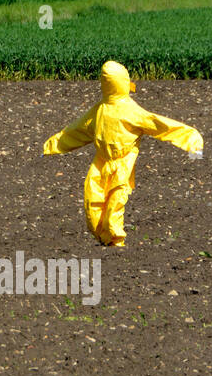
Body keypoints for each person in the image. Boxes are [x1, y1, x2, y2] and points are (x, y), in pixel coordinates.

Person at [43, 60, 203, 248]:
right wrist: (50, 147)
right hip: (101, 162)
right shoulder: (99, 110)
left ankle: (117, 245)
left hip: (122, 163)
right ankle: (105, 239)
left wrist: (193, 142)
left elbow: (162, 126)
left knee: (114, 205)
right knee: (92, 205)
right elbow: (76, 131)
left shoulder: (131, 111)